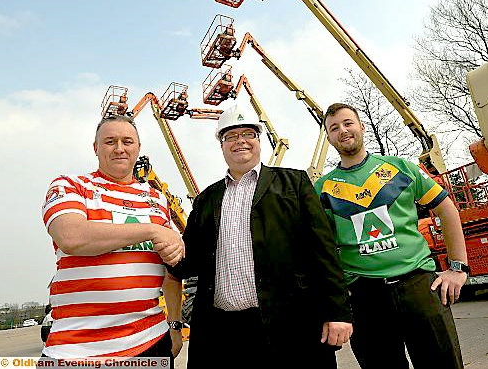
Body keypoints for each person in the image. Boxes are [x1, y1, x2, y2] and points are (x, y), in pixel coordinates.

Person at [161, 104, 353, 369]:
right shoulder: (207, 198)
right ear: (222, 145)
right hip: (224, 333)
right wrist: (162, 239)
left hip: (290, 327)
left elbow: (323, 251)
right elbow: (188, 262)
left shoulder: (294, 184)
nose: (240, 141)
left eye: (248, 134)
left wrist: (337, 311)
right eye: (231, 136)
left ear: (259, 140)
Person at [314, 102, 469, 369]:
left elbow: (447, 210)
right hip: (363, 298)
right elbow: (319, 248)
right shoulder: (322, 189)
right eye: (334, 128)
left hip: (419, 285)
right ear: (328, 138)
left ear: (361, 127)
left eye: (348, 123)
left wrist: (458, 268)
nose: (343, 131)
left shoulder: (401, 168)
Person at [41, 115, 185, 362]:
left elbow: (171, 273)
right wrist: (151, 230)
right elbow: (71, 236)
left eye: (127, 141)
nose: (119, 148)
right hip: (76, 350)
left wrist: (174, 324)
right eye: (110, 141)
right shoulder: (71, 186)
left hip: (150, 342)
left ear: (138, 148)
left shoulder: (157, 199)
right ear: (96, 148)